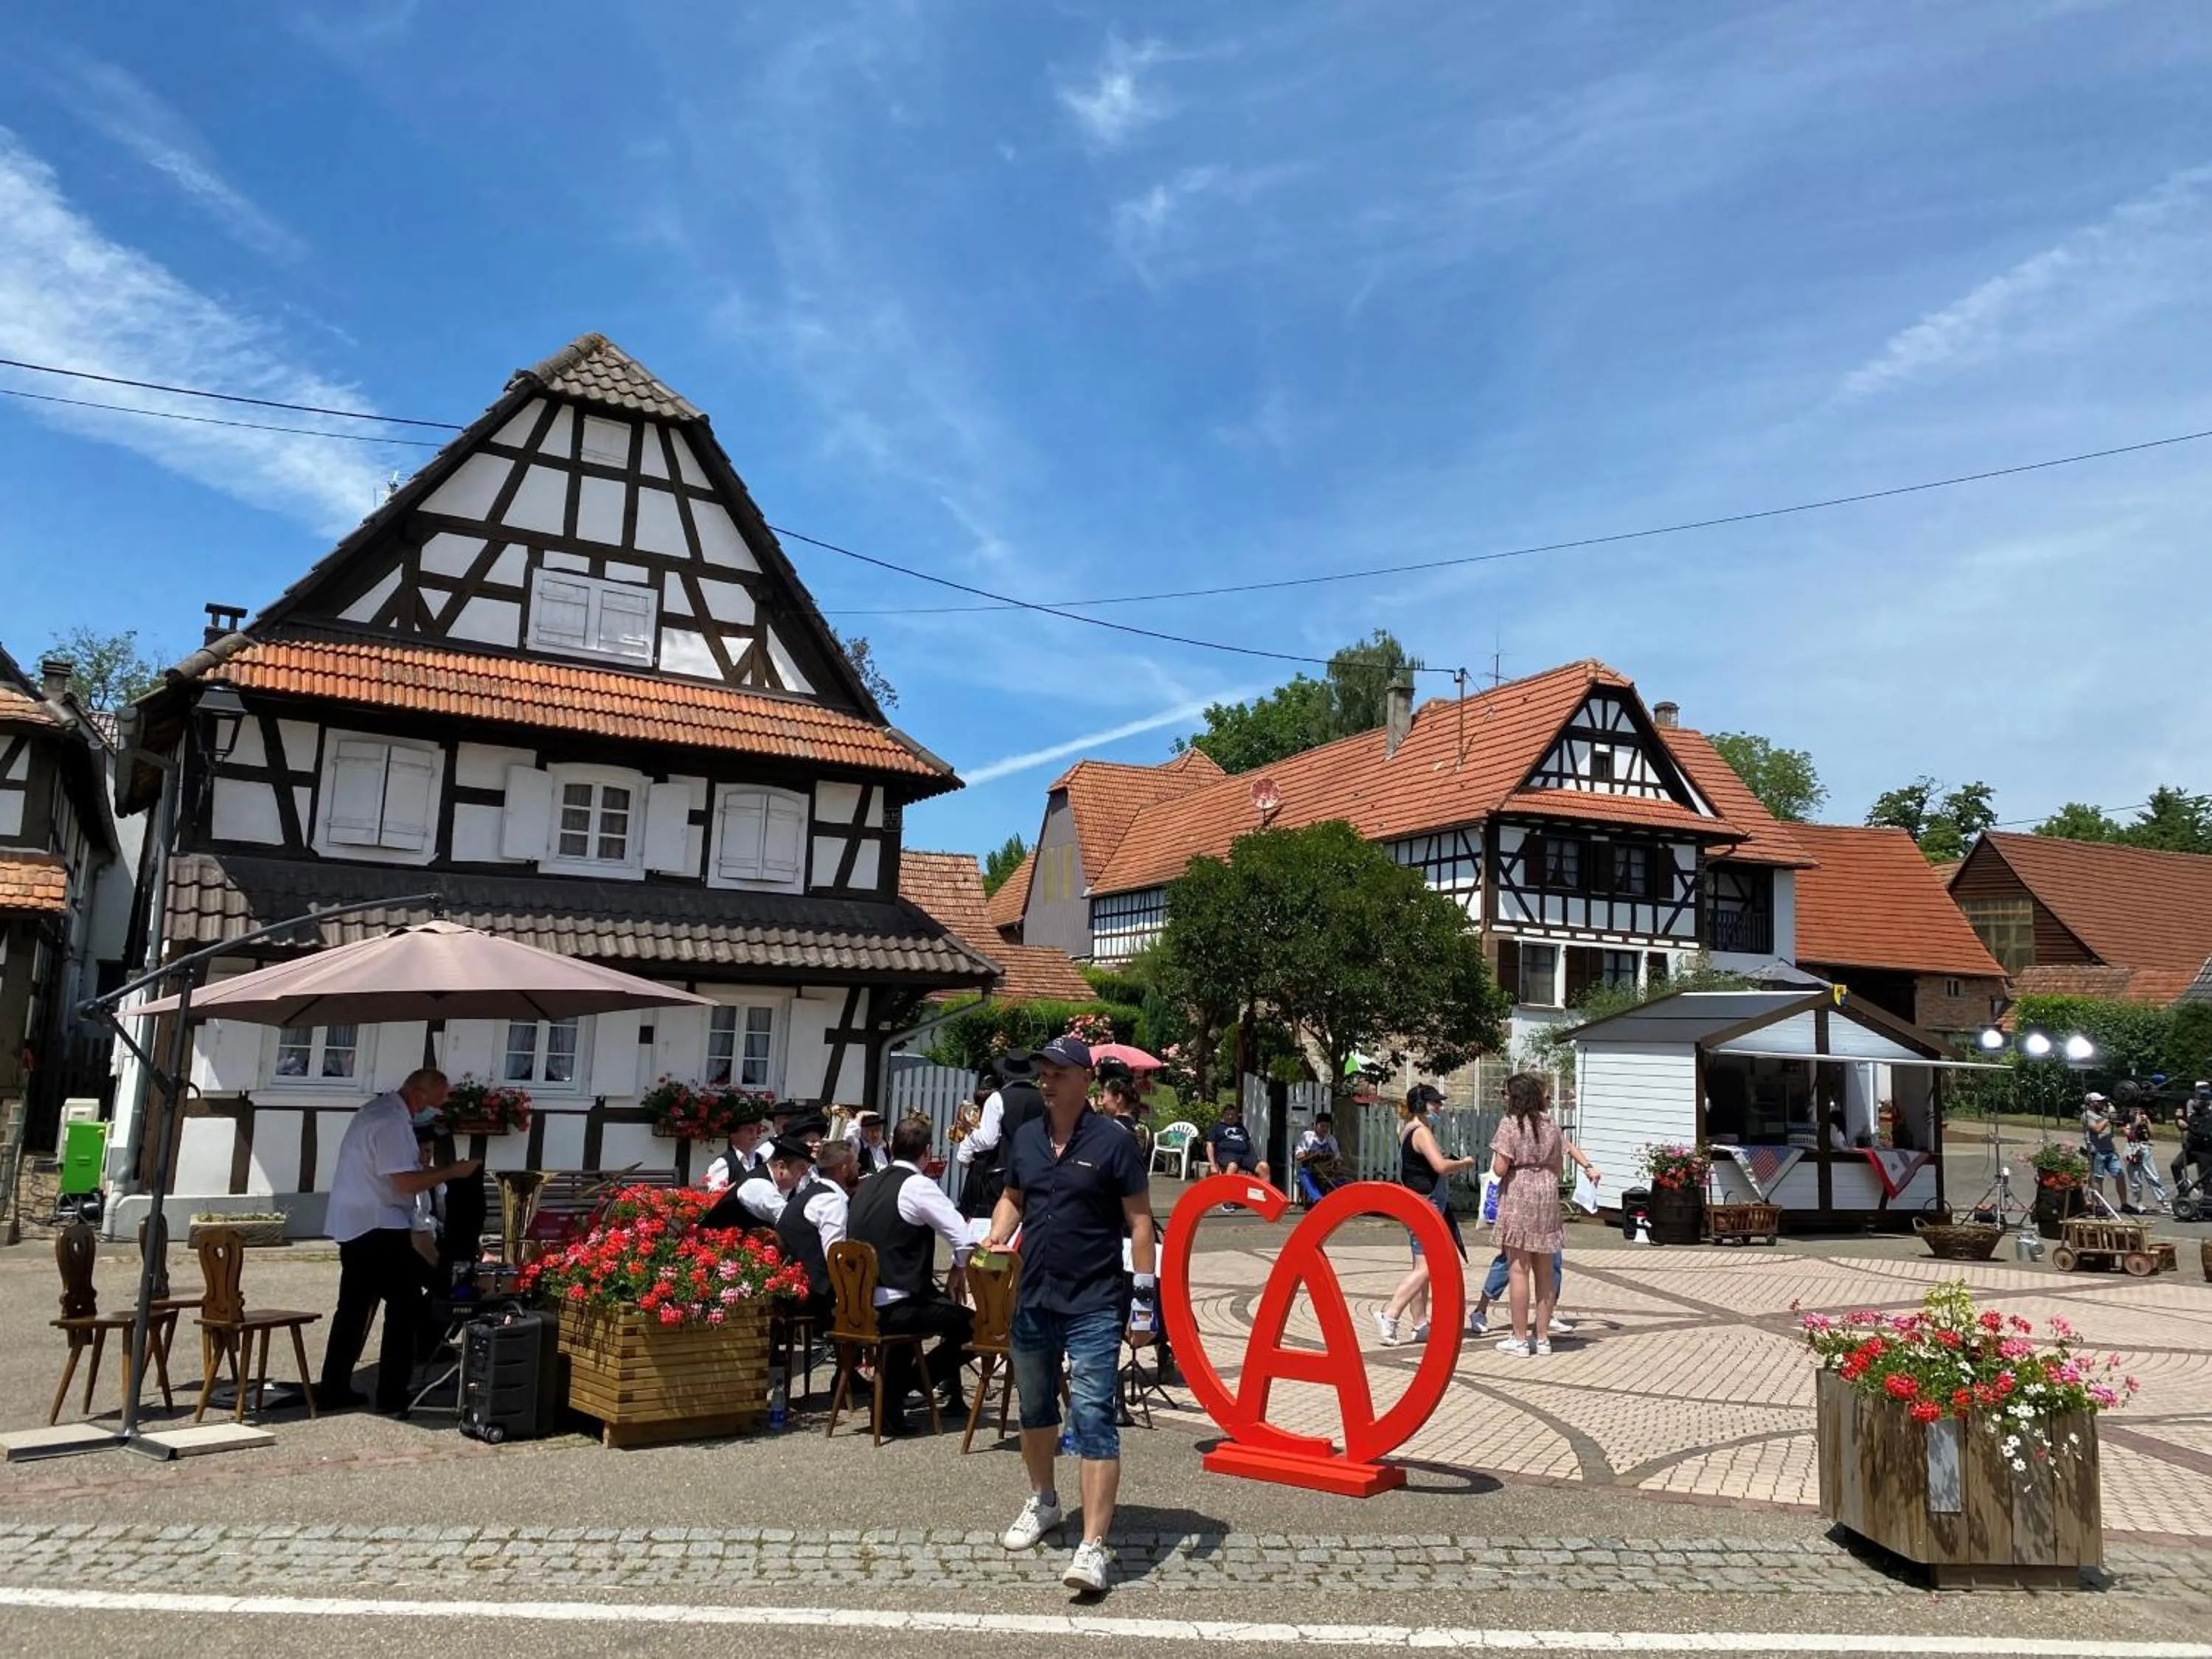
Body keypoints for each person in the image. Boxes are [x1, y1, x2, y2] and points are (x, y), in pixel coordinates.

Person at [980, 1035, 1155, 1595]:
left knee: (1093, 1415)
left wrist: (1145, 1302)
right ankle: (1044, 1501)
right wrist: (998, 1231)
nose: (1047, 1081)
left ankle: (1094, 1546)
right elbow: (1013, 1195)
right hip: (1034, 1297)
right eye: (1043, 1073)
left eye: (1057, 1072)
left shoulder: (1113, 1142)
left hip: (1095, 1302)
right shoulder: (1028, 1137)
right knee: (1033, 1406)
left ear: (1085, 1080)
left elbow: (1141, 1221)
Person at [318, 1069, 481, 1412]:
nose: (441, 1108)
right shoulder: (391, 1122)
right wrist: (452, 1172)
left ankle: (334, 1388)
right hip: (377, 1224)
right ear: (421, 1095)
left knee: (353, 1308)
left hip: (359, 1224)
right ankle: (391, 1393)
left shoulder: (378, 1112)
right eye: (440, 1100)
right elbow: (405, 1184)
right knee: (404, 1307)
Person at [848, 1116, 975, 1436]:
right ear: (927, 1151)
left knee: (929, 1307)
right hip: (896, 1306)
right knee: (974, 1325)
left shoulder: (870, 1183)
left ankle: (892, 1401)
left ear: (892, 1145)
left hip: (858, 1306)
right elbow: (963, 1236)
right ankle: (915, 1381)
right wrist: (959, 1267)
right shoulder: (917, 1185)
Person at [1467, 1129, 1597, 1336]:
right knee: (1509, 1261)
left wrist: (1588, 1167)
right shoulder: (1513, 1122)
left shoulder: (1545, 1122)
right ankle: (1481, 1309)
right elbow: (1500, 1166)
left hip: (1544, 1205)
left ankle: (1546, 1315)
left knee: (1552, 1260)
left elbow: (1566, 1146)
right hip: (1519, 1202)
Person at [1374, 1084, 1475, 1348]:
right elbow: (1440, 1166)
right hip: (1426, 1204)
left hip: (1418, 1201)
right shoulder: (1421, 1132)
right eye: (1434, 1104)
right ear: (1421, 1105)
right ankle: (1389, 1314)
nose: (1439, 1108)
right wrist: (1464, 1163)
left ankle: (1420, 1323)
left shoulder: (1409, 1129)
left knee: (1420, 1266)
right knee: (1427, 1268)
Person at [1489, 1072, 1567, 1357]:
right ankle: (1544, 1338)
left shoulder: (1511, 1124)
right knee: (1545, 1269)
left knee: (1518, 1268)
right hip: (1547, 1190)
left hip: (1520, 1189)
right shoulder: (1551, 1123)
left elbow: (1500, 1168)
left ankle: (1520, 1339)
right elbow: (1559, 1163)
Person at [776, 1138, 857, 1331]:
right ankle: (855, 1360)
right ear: (843, 1167)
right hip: (814, 1295)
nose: (859, 1167)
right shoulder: (830, 1200)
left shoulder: (813, 1193)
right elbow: (836, 1255)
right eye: (855, 1163)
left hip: (794, 1287)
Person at [958, 1051, 1043, 1219]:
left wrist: (970, 1130)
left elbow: (988, 1141)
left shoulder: (998, 1099)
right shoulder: (1041, 1097)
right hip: (1035, 1171)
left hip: (1004, 1173)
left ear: (1005, 1074)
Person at [703, 1101, 771, 1193]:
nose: (754, 1134)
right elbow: (715, 1196)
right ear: (733, 1134)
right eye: (749, 1130)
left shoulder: (760, 1160)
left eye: (756, 1130)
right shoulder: (725, 1162)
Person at [1200, 1100, 1272, 1189]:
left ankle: (1264, 1196)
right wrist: (1212, 1165)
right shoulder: (1217, 1127)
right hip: (1227, 1155)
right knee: (1233, 1166)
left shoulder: (1240, 1127)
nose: (1230, 1117)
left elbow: (1249, 1143)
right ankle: (1227, 1196)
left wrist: (1254, 1157)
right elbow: (1209, 1144)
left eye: (1233, 1115)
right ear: (1223, 1115)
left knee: (1264, 1166)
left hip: (1244, 1156)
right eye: (1228, 1114)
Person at [2122, 1103, 2168, 1215]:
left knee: (2153, 1176)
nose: (2138, 1114)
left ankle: (2164, 1202)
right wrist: (2136, 1124)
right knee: (2136, 1179)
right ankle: (2139, 1203)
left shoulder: (2144, 1123)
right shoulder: (2128, 1123)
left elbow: (2152, 1133)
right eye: (2135, 1112)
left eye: (2140, 1112)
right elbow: (2130, 1135)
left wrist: (2147, 1122)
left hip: (2145, 1148)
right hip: (2133, 1148)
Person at [1294, 1113, 1349, 1204]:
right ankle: (1319, 1200)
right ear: (1315, 1125)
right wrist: (1303, 1154)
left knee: (1341, 1180)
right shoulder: (1307, 1136)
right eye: (1322, 1126)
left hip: (1327, 1171)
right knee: (1303, 1174)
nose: (1325, 1129)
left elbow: (1338, 1157)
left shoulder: (1331, 1139)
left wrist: (1338, 1163)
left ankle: (1345, 1202)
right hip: (1311, 1169)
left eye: (1327, 1127)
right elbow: (1299, 1153)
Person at [2081, 1093, 2123, 1212]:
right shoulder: (2087, 1115)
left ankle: (2124, 1203)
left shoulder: (2102, 1114)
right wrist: (2108, 1118)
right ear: (2092, 1103)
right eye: (2099, 1102)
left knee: (2120, 1175)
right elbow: (2097, 1129)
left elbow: (2116, 1123)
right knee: (2098, 1178)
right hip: (2097, 1151)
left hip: (2110, 1150)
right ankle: (2099, 1204)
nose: (2102, 1104)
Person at [851, 1111, 891, 1176]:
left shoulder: (886, 1147)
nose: (875, 1135)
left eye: (878, 1129)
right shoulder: (857, 1147)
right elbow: (851, 1136)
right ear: (862, 1131)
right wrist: (860, 1116)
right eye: (870, 1131)